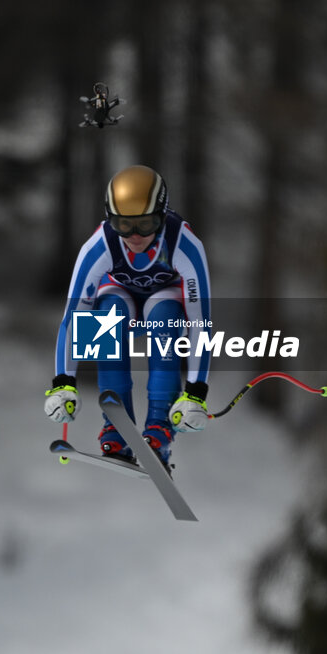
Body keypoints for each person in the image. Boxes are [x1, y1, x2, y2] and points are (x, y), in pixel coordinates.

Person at [45, 165, 211, 470]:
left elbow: (200, 322)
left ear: (162, 215)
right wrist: (63, 383)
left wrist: (195, 393)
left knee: (164, 316)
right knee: (103, 316)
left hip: (165, 296)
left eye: (146, 224)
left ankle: (159, 427)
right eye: (123, 225)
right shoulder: (100, 245)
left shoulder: (184, 244)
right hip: (119, 295)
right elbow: (73, 316)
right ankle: (116, 426)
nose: (134, 236)